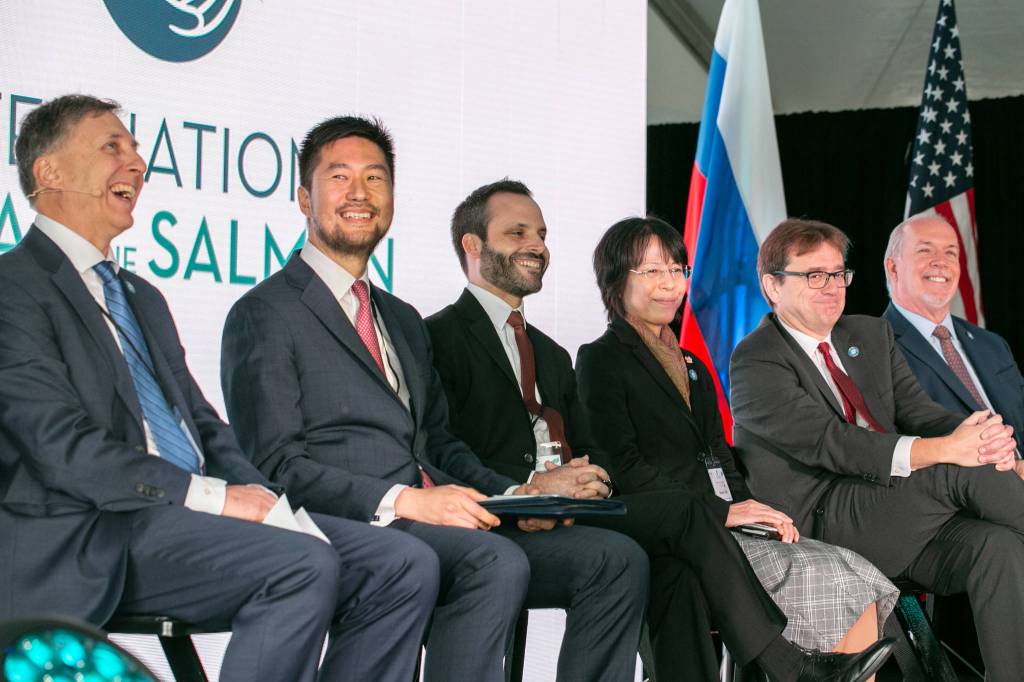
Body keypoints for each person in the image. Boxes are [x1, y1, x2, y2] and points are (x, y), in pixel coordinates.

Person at [0, 94, 438, 682]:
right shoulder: (13, 287)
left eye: (134, 147)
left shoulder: (140, 296)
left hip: (181, 515)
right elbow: (60, 448)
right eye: (112, 146)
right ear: (47, 172)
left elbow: (203, 427)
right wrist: (211, 497)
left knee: (400, 562)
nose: (137, 161)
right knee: (303, 565)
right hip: (89, 530)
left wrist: (265, 500)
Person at [219, 118, 649, 682]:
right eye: (339, 177)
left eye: (375, 178)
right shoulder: (265, 312)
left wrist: (516, 495)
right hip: (339, 520)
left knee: (616, 559)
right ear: (304, 197)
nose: (359, 193)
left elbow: (438, 443)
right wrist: (402, 501)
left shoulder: (399, 319)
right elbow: (275, 466)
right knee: (489, 561)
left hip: (432, 520)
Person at [425, 180, 894, 682]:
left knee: (678, 575)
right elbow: (440, 445)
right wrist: (522, 493)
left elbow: (596, 453)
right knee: (683, 527)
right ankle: (789, 665)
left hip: (601, 510)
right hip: (525, 511)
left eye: (676, 269)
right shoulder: (441, 336)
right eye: (652, 271)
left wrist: (590, 481)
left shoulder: (558, 353)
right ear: (472, 245)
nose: (537, 244)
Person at [730, 217, 1024, 681]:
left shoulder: (868, 335)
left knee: (998, 545)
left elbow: (923, 414)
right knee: (957, 467)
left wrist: (984, 434)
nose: (831, 287)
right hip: (824, 522)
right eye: (814, 276)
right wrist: (952, 449)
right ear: (772, 286)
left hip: (897, 518)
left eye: (838, 273)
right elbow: (834, 444)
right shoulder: (755, 358)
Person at [882, 214, 1023, 457]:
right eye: (925, 251)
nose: (941, 262)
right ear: (893, 268)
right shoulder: (877, 346)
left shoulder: (991, 344)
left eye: (950, 253)